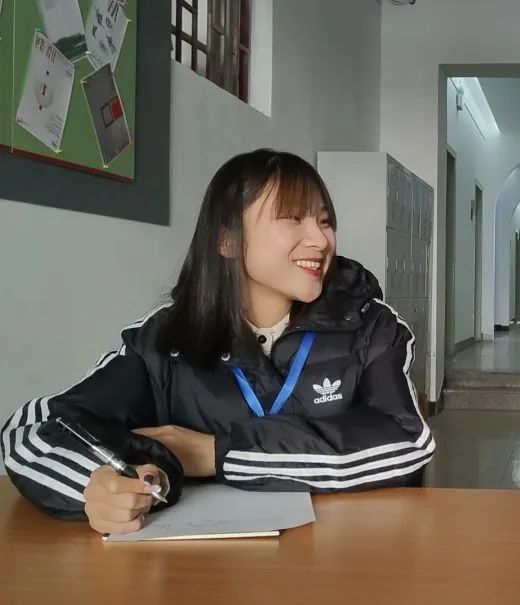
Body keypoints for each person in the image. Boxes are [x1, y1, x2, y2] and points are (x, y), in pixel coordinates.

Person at [1, 149, 435, 535]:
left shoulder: (370, 326)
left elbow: (405, 444)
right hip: (204, 575)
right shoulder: (165, 342)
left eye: (324, 221)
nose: (321, 240)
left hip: (348, 559)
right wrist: (93, 485)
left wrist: (216, 453)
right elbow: (31, 431)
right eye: (293, 217)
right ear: (227, 240)